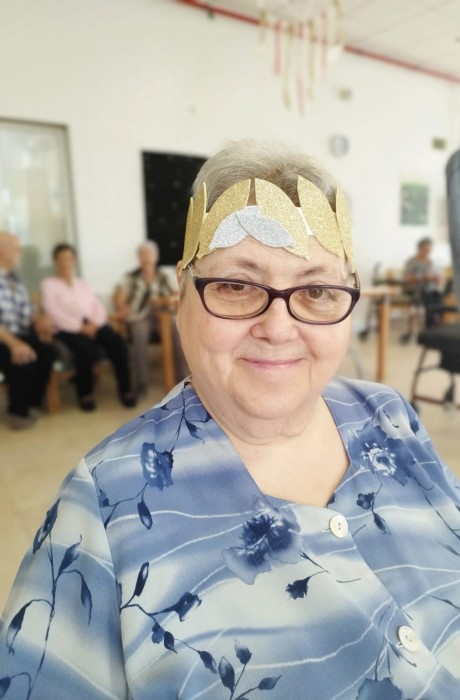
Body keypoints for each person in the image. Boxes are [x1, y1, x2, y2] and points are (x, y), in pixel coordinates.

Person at [1, 141, 460, 699]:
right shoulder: (103, 505)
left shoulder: (390, 416)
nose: (279, 328)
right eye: (237, 286)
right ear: (182, 296)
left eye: (317, 289)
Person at [40, 243, 136, 411]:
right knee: (86, 350)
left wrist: (94, 324)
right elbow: (53, 311)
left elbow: (97, 306)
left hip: (92, 323)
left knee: (117, 343)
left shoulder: (82, 283)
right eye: (61, 259)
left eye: (69, 259)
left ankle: (126, 390)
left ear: (74, 261)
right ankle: (85, 394)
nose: (66, 263)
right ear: (56, 262)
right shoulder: (49, 284)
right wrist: (79, 327)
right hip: (65, 328)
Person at [0, 231, 56, 429]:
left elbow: (27, 309)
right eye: (16, 249)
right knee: (23, 358)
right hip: (3, 338)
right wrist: (14, 343)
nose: (20, 253)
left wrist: (39, 318)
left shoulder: (15, 278)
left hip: (20, 333)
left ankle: (31, 403)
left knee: (47, 352)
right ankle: (17, 413)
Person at [113, 240, 181, 396]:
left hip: (164, 314)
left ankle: (182, 378)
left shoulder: (166, 274)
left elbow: (178, 294)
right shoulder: (130, 277)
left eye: (150, 253)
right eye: (144, 254)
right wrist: (122, 307)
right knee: (139, 334)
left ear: (157, 256)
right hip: (140, 315)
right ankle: (141, 382)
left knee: (178, 329)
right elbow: (120, 300)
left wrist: (167, 303)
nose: (147, 257)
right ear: (138, 257)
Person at [400, 237, 443, 342]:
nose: (428, 252)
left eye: (429, 250)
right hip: (415, 290)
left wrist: (436, 278)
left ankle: (434, 328)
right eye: (426, 250)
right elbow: (407, 278)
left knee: (438, 298)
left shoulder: (431, 262)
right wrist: (422, 277)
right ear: (420, 249)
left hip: (430, 291)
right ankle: (423, 330)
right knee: (425, 300)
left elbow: (438, 278)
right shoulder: (412, 261)